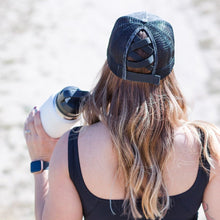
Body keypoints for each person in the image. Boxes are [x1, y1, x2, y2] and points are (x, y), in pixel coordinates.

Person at [24, 12, 220, 220]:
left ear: (109, 65)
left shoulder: (73, 150)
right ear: (170, 71)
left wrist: (42, 163)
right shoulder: (206, 148)